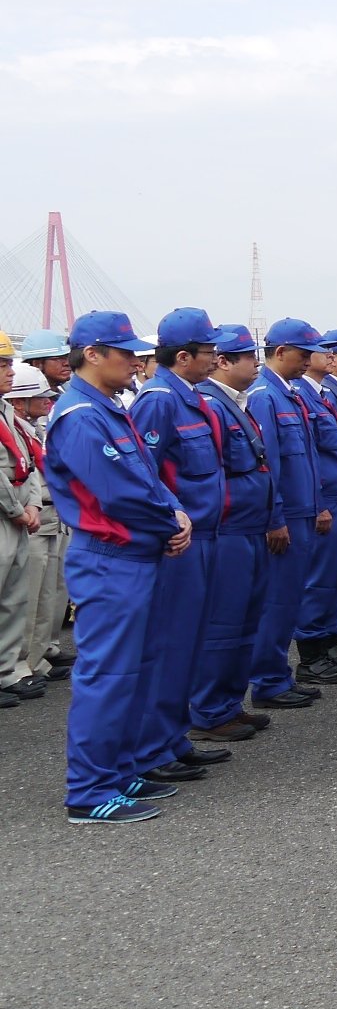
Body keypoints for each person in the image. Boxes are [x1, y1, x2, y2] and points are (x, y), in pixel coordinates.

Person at [44, 312, 193, 824]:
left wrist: (175, 512)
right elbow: (118, 493)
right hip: (110, 560)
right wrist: (169, 522)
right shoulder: (80, 416)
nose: (135, 360)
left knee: (137, 670)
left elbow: (147, 476)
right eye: (125, 352)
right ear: (92, 354)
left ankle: (119, 769)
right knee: (108, 675)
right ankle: (89, 791)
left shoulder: (107, 407)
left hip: (135, 555)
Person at [126, 309, 230, 786]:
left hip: (206, 535)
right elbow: (143, 474)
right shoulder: (158, 401)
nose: (215, 359)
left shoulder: (189, 396)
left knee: (190, 643)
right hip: (179, 541)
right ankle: (151, 747)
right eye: (209, 351)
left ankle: (173, 738)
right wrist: (169, 523)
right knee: (169, 644)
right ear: (183, 356)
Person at [189, 325, 281, 744]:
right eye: (247, 357)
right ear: (223, 362)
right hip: (228, 528)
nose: (256, 364)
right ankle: (208, 710)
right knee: (223, 623)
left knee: (245, 622)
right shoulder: (210, 404)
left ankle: (228, 703)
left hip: (250, 525)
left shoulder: (236, 404)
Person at [246, 319, 330, 709]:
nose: (308, 361)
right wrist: (274, 518)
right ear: (280, 352)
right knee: (277, 602)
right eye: (303, 354)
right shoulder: (265, 396)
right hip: (287, 516)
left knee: (291, 599)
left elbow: (306, 460)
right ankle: (267, 680)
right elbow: (269, 466)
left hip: (303, 512)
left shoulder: (288, 394)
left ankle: (278, 674)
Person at [295, 331, 337, 680]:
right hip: (327, 500)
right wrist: (318, 502)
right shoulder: (300, 394)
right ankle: (311, 651)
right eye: (325, 351)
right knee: (318, 579)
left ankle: (331, 637)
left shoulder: (321, 395)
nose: (330, 356)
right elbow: (307, 457)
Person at [13, 330, 74, 688]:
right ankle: (21, 663)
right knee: (28, 594)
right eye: (57, 358)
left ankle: (42, 652)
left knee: (52, 590)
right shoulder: (18, 418)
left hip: (55, 509)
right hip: (33, 512)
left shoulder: (56, 404)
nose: (66, 363)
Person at [0, 338, 46, 706]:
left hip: (16, 513)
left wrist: (32, 505)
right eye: (2, 365)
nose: (10, 372)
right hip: (6, 513)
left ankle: (5, 672)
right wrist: (18, 511)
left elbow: (25, 463)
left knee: (14, 599)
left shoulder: (7, 413)